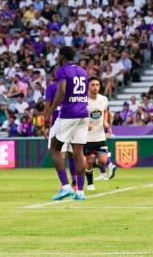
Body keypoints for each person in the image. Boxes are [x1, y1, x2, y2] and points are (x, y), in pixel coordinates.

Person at [43, 46, 90, 201]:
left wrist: (49, 112)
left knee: (55, 148)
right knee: (78, 153)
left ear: (62, 56)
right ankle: (80, 192)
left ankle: (65, 187)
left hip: (69, 113)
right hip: (83, 113)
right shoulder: (83, 71)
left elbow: (62, 91)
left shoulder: (62, 71)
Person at [84, 76, 112, 190]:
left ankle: (106, 166)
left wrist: (105, 122)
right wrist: (86, 124)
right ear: (88, 86)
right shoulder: (84, 101)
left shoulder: (103, 99)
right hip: (87, 137)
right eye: (93, 85)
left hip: (100, 136)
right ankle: (90, 184)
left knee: (102, 160)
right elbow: (79, 115)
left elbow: (105, 111)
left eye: (97, 85)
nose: (95, 87)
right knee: (89, 162)